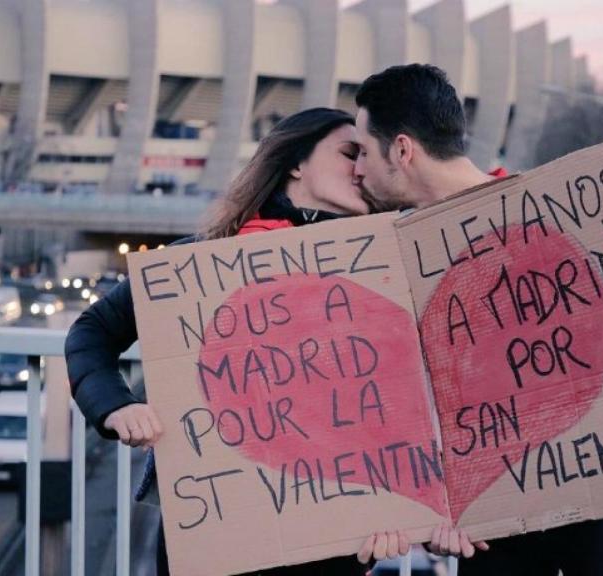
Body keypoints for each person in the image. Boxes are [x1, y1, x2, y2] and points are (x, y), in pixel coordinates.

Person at [352, 63, 603, 575]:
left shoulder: (558, 212)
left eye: (364, 151)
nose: (358, 169)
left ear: (403, 150)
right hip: (494, 524)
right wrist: (433, 514)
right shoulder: (393, 260)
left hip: (600, 501)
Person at [65, 107, 408, 576]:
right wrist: (114, 406)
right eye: (350, 152)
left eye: (368, 157)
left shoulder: (387, 273)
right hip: (216, 532)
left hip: (329, 540)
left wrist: (389, 516)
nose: (361, 168)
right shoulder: (196, 265)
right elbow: (92, 333)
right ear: (295, 163)